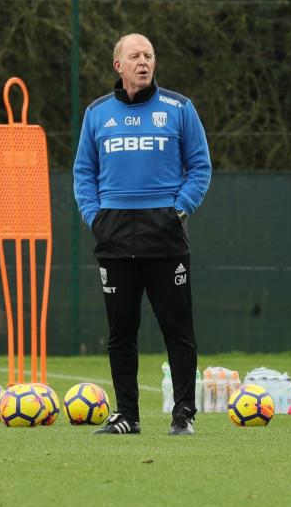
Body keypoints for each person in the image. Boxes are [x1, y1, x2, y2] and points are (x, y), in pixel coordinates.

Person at [72, 33, 211, 436]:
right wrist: (95, 217)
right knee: (121, 332)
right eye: (135, 55)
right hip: (114, 234)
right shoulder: (97, 113)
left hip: (164, 234)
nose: (143, 61)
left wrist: (179, 209)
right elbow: (84, 172)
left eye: (149, 54)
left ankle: (183, 414)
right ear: (118, 64)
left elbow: (200, 166)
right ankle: (127, 416)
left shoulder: (179, 108)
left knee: (178, 329)